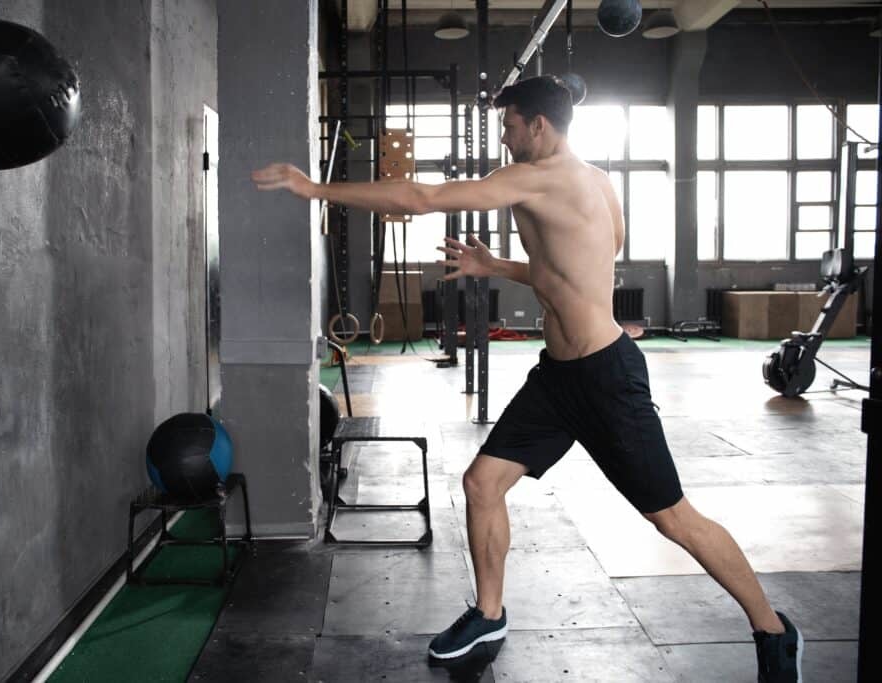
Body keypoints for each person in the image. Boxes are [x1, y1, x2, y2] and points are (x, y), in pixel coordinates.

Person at [252, 75, 803, 682]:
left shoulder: (542, 177)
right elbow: (571, 273)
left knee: (672, 518)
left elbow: (421, 198)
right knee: (483, 483)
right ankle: (489, 615)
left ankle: (774, 631)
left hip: (606, 378)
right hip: (558, 378)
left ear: (538, 124)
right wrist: (495, 265)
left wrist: (315, 189)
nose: (505, 135)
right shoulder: (594, 184)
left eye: (510, 125)